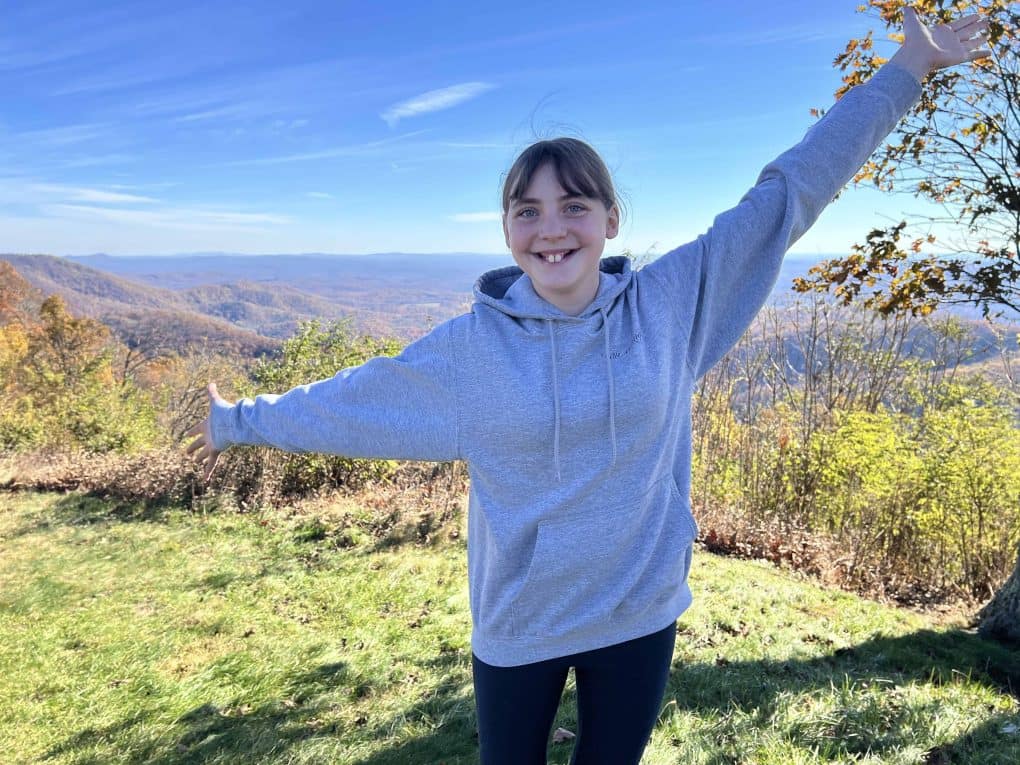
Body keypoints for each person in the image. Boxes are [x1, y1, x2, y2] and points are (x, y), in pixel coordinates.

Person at [185, 9, 990, 764]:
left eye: (573, 204)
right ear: (508, 230)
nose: (551, 228)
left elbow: (790, 193)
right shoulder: (471, 351)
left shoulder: (673, 304)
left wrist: (910, 66)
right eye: (527, 211)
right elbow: (355, 402)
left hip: (638, 611)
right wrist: (240, 420)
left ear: (609, 217)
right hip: (519, 622)